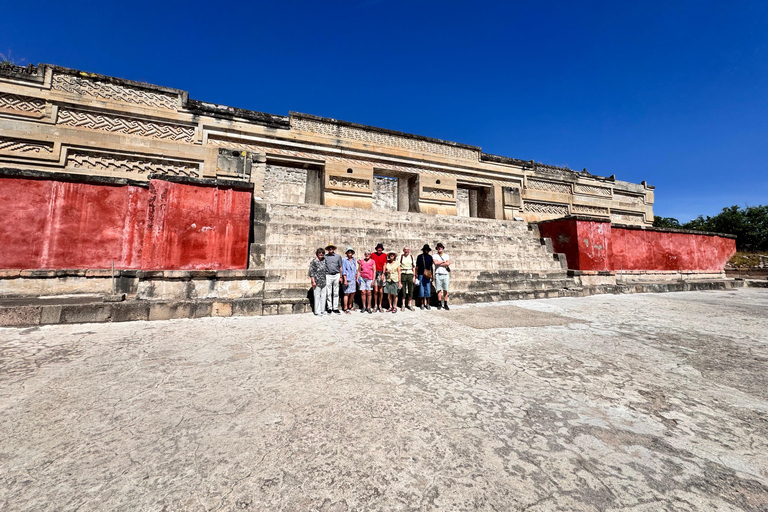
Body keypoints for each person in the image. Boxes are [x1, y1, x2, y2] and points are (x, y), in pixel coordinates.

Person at [308, 248, 328, 316]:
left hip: (324, 281)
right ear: (317, 253)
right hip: (317, 281)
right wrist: (313, 281)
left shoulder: (324, 260)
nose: (321, 254)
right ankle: (317, 311)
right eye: (320, 253)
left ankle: (322, 310)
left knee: (323, 296)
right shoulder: (314, 261)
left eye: (322, 253)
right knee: (317, 296)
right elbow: (311, 272)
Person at [324, 244, 343, 314]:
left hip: (336, 275)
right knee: (328, 292)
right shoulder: (325, 257)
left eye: (332, 248)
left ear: (334, 249)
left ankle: (335, 307)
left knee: (336, 292)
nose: (330, 249)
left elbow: (340, 267)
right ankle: (329, 307)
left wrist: (341, 277)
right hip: (328, 275)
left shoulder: (338, 257)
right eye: (329, 248)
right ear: (328, 249)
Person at [371, 243, 388, 312]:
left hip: (381, 273)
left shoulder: (384, 255)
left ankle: (380, 305)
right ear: (376, 249)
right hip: (375, 273)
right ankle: (375, 305)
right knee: (376, 290)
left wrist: (383, 274)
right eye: (378, 248)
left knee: (381, 291)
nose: (379, 249)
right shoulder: (373, 255)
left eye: (381, 248)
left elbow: (384, 264)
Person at [416, 244, 434, 310]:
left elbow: (431, 267)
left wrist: (432, 275)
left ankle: (428, 304)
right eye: (425, 250)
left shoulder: (430, 257)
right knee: (421, 289)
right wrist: (416, 274)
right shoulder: (420, 257)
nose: (426, 251)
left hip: (427, 275)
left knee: (428, 290)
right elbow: (417, 266)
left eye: (427, 250)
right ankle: (422, 304)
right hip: (421, 274)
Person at [433, 242, 450, 310]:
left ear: (442, 248)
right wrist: (443, 262)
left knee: (445, 289)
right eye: (438, 247)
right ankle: (439, 303)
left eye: (441, 247)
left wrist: (439, 263)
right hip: (438, 273)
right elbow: (435, 263)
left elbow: (448, 263)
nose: (439, 248)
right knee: (439, 289)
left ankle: (445, 303)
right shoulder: (435, 255)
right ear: (437, 248)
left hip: (445, 274)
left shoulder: (446, 255)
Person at [341, 247, 359, 314]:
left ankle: (350, 306)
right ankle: (345, 308)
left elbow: (354, 269)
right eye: (348, 252)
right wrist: (345, 279)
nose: (350, 253)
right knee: (347, 293)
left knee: (353, 293)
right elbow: (344, 270)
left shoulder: (353, 259)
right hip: (347, 278)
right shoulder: (344, 260)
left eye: (351, 252)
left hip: (353, 278)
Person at [399, 246, 416, 311]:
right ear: (403, 250)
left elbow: (414, 267)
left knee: (410, 289)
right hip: (403, 273)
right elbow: (398, 266)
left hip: (410, 273)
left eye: (407, 250)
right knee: (403, 289)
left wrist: (414, 276)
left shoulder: (411, 257)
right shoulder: (400, 257)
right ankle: (403, 304)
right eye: (405, 250)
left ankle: (409, 304)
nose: (406, 251)